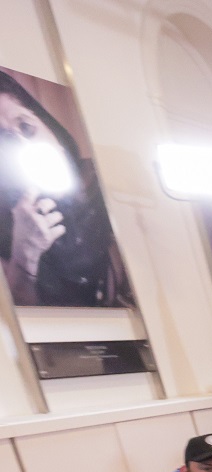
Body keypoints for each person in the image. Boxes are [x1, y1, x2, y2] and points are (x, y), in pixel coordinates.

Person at [0, 71, 132, 308]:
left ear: (52, 131)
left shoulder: (108, 184)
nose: (23, 146)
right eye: (4, 142)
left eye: (27, 128)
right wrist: (24, 253)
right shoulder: (6, 232)